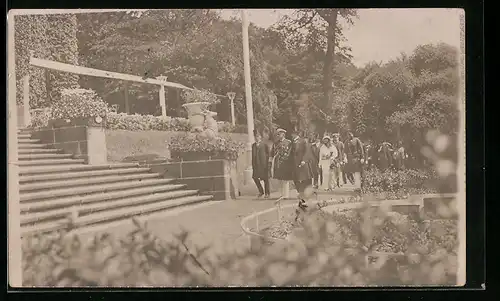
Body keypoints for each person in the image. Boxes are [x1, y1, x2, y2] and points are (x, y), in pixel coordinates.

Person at [290, 130, 314, 207]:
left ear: (296, 134)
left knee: (303, 181)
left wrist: (304, 160)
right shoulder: (292, 142)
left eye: (293, 134)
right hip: (294, 165)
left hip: (302, 164)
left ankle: (304, 200)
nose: (292, 135)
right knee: (296, 181)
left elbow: (307, 151)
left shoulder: (303, 141)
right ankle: (301, 199)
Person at [270, 128, 293, 198]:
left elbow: (290, 152)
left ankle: (286, 194)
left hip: (285, 162)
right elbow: (272, 152)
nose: (279, 135)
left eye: (280, 134)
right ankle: (282, 193)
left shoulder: (288, 142)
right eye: (278, 134)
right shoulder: (276, 143)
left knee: (285, 179)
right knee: (279, 178)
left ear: (283, 134)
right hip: (278, 162)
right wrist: (271, 160)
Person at [251, 129, 270, 198]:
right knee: (255, 178)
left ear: (260, 137)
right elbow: (253, 155)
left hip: (263, 164)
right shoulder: (253, 145)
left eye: (258, 136)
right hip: (256, 164)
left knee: (265, 179)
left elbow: (268, 154)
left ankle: (267, 193)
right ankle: (261, 191)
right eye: (255, 136)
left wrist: (267, 163)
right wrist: (253, 164)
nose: (256, 138)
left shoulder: (264, 145)